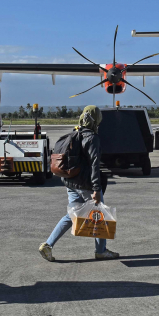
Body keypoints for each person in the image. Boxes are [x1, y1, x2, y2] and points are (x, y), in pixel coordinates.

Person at [39, 105, 119, 261]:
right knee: (99, 215)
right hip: (86, 185)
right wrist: (96, 189)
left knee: (71, 215)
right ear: (96, 119)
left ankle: (48, 245)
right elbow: (95, 164)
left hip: (71, 183)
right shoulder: (92, 138)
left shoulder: (75, 134)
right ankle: (101, 251)